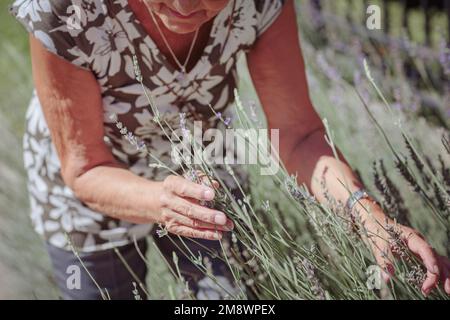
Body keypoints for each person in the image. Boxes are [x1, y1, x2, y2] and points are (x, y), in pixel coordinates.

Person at [10, 0, 450, 299]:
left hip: (204, 172)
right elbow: (83, 167)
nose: (182, 6)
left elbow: (297, 136)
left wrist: (366, 213)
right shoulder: (62, 8)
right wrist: (162, 203)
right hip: (92, 189)